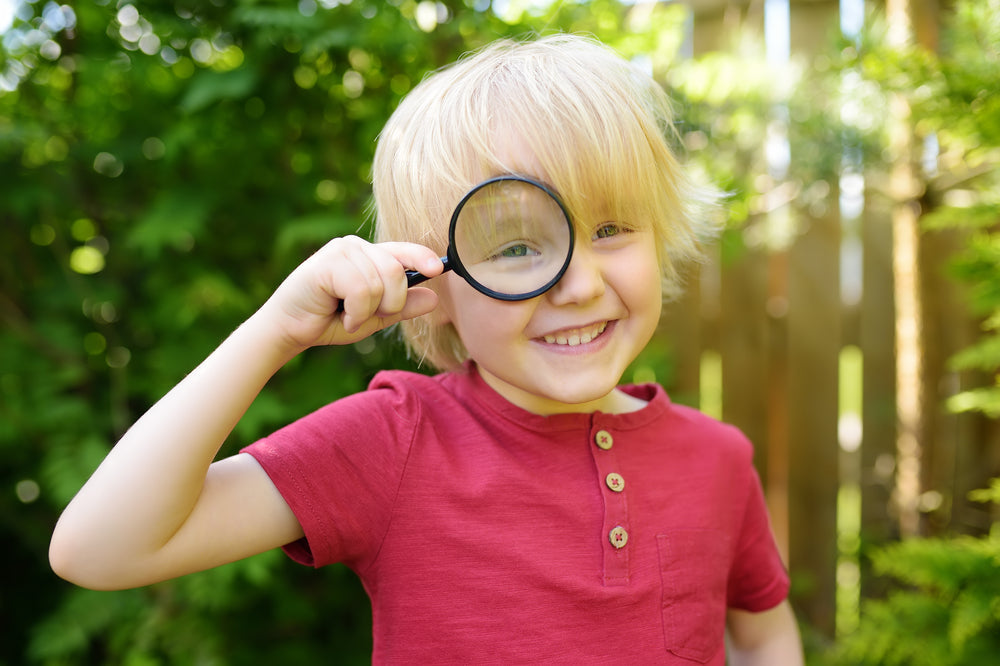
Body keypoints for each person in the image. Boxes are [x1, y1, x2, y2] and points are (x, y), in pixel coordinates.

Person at [49, 34, 804, 664]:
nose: (578, 285)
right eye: (516, 246)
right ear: (433, 282)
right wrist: (274, 332)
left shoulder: (718, 460)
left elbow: (765, 635)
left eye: (611, 230)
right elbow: (101, 549)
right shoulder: (393, 443)